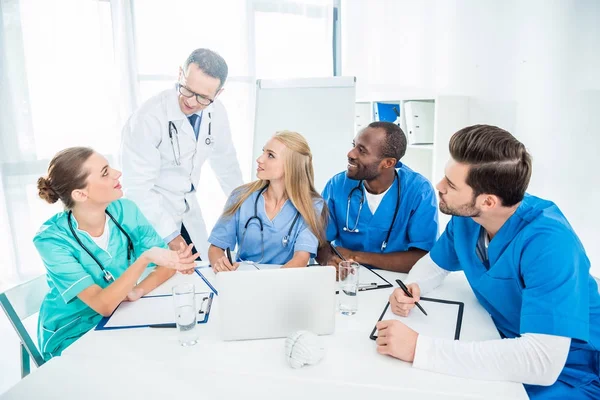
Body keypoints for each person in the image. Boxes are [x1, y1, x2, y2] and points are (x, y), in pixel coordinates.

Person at [376, 125, 600, 399]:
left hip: (571, 371)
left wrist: (419, 348)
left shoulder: (551, 245)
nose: (439, 187)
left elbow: (543, 362)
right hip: (500, 341)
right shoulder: (468, 219)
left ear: (489, 202)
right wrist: (412, 287)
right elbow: (434, 265)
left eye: (452, 184)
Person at [34, 147, 197, 359]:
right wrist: (145, 259)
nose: (117, 173)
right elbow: (103, 305)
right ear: (81, 194)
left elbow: (166, 264)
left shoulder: (125, 210)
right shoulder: (51, 240)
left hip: (121, 316)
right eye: (105, 172)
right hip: (74, 333)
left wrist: (137, 291)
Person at [120, 48, 243, 259]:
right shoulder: (147, 118)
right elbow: (138, 188)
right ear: (180, 74)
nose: (192, 102)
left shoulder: (216, 112)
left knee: (199, 271)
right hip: (151, 212)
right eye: (187, 89)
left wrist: (245, 208)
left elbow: (227, 165)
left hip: (187, 209)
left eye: (204, 97)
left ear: (218, 94)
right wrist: (170, 235)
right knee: (162, 279)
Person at [316, 122, 438, 272]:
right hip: (347, 279)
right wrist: (328, 260)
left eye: (362, 150)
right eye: (354, 145)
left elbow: (423, 258)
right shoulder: (337, 185)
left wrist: (356, 257)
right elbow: (319, 242)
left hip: (397, 282)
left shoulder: (418, 191)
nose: (351, 154)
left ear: (388, 163)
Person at [208, 131, 327, 272]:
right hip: (244, 279)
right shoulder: (241, 196)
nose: (259, 159)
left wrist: (268, 286)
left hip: (285, 282)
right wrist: (220, 264)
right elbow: (216, 247)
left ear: (291, 165)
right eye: (263, 152)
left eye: (270, 155)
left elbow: (301, 259)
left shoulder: (312, 205)